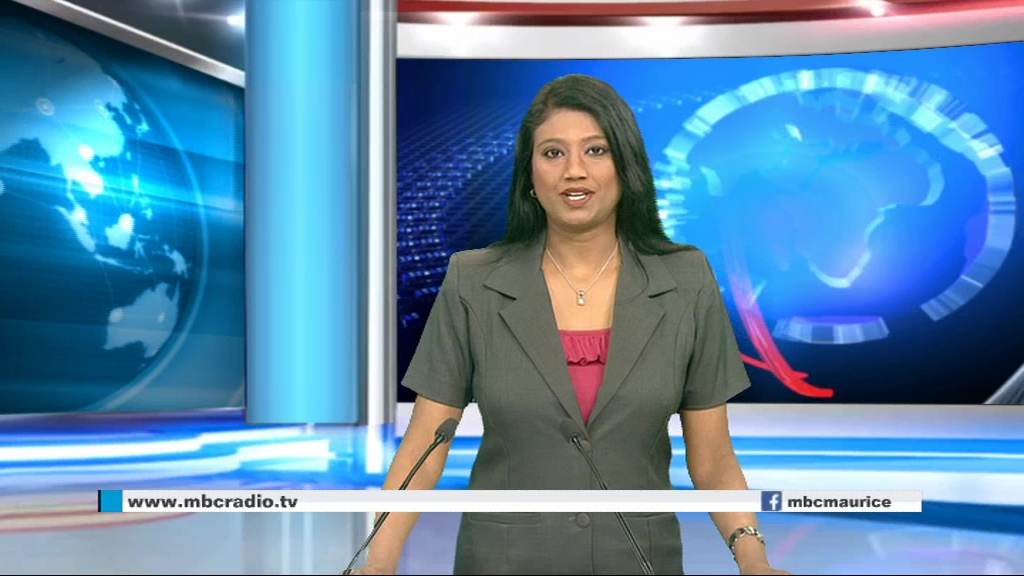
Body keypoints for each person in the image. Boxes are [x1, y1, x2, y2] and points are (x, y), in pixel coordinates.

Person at [352, 74, 790, 575]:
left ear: (626, 166)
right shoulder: (473, 280)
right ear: (530, 175)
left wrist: (754, 560)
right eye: (553, 153)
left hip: (639, 562)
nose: (574, 171)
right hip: (502, 562)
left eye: (596, 150)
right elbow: (425, 446)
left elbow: (712, 457)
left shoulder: (686, 278)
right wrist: (378, 564)